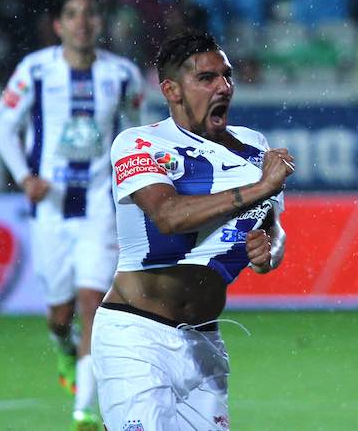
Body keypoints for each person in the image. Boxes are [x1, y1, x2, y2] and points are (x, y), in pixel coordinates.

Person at [91, 30, 294, 431]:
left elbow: (273, 225)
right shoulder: (139, 143)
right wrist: (259, 187)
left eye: (227, 76)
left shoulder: (255, 146)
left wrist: (270, 250)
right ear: (172, 90)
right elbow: (167, 215)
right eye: (206, 78)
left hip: (203, 344)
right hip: (136, 336)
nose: (224, 87)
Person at [0, 0, 144, 431]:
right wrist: (25, 177)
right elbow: (5, 127)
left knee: (92, 301)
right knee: (61, 315)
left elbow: (138, 134)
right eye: (73, 15)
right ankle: (63, 344)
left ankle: (83, 410)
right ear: (59, 26)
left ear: (100, 24)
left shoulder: (123, 76)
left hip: (99, 204)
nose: (83, 22)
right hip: (51, 210)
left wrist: (133, 185)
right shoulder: (35, 71)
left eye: (91, 14)